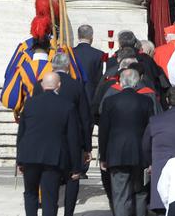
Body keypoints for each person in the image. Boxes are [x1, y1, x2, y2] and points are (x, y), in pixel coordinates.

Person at [30, 52, 91, 216]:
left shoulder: (40, 85)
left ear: (53, 66)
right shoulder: (77, 85)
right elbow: (85, 118)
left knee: (49, 179)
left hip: (46, 140)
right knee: (73, 176)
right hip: (72, 139)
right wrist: (87, 146)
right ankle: (68, 213)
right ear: (68, 66)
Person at [16, 72, 83, 216]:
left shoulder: (29, 104)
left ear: (41, 85)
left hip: (30, 156)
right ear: (59, 86)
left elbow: (21, 133)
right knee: (50, 197)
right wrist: (76, 166)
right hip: (53, 158)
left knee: (30, 193)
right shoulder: (67, 106)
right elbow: (73, 138)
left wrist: (19, 159)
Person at [98, 68, 154, 216]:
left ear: (120, 82)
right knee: (140, 193)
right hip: (140, 153)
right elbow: (151, 129)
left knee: (121, 194)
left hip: (117, 154)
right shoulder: (146, 101)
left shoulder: (110, 101)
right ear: (137, 82)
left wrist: (103, 156)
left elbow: (104, 131)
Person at [72, 24, 106, 101]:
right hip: (91, 94)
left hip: (73, 94)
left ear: (78, 36)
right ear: (91, 37)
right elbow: (99, 78)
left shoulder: (70, 53)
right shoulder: (99, 54)